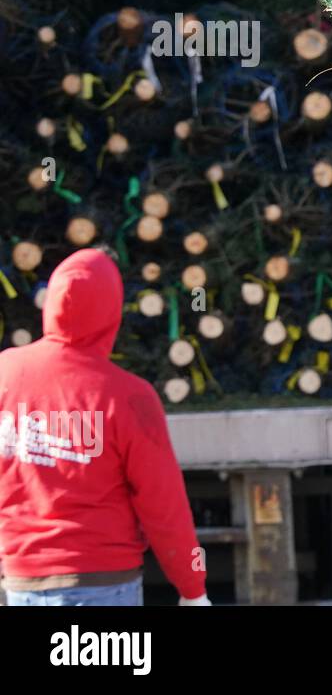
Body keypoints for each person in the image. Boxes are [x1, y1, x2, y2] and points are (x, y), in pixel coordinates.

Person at [0, 248, 209, 606]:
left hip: (21, 583)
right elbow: (165, 505)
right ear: (111, 312)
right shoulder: (130, 396)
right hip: (106, 584)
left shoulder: (6, 374)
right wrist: (194, 588)